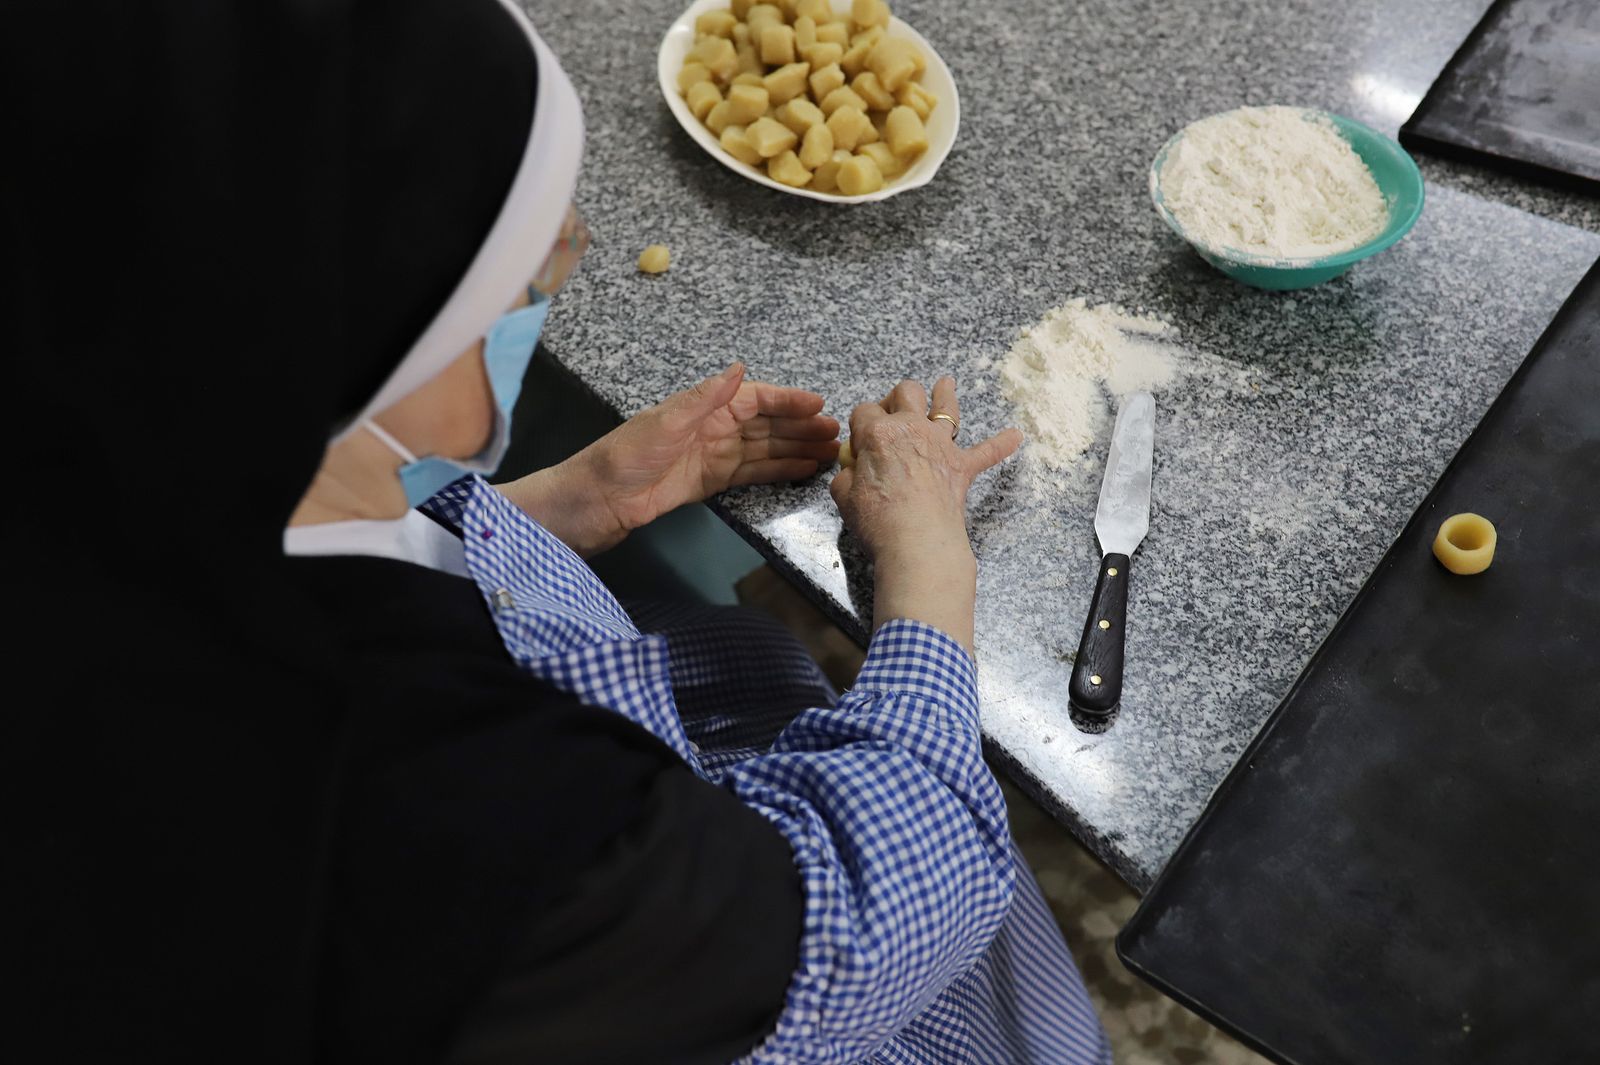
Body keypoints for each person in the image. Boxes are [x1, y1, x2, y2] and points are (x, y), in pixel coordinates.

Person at [11, 1, 1109, 1063]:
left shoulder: (123, 417)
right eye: (530, 279)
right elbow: (859, 928)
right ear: (362, 323)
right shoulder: (450, 805)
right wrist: (928, 567)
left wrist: (567, 502)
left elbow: (336, 524)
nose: (562, 270)